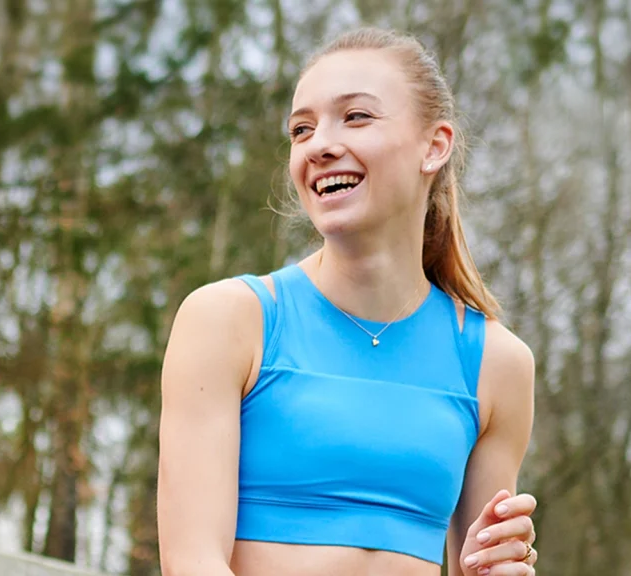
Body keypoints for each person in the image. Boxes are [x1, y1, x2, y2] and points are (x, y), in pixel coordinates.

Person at [157, 27, 538, 576]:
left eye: (356, 117)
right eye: (302, 129)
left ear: (434, 146)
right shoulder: (228, 320)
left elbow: (475, 565)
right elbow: (192, 561)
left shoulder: (497, 364)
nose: (319, 145)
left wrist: (498, 567)